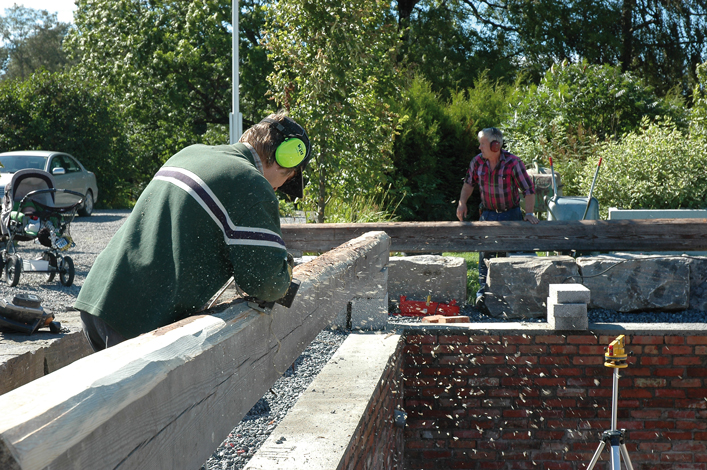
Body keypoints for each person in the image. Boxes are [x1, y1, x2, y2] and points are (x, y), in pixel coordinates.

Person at [75, 112, 312, 351]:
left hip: (98, 299)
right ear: (286, 158)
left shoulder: (192, 152)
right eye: (285, 179)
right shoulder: (250, 182)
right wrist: (284, 272)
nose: (277, 187)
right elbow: (266, 283)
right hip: (137, 320)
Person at [456, 127, 538, 312]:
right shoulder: (477, 162)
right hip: (488, 214)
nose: (479, 147)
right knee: (486, 256)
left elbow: (528, 190)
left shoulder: (513, 163)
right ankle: (483, 297)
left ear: (496, 145)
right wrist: (462, 203)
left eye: (483, 144)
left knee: (513, 256)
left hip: (511, 215)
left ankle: (514, 297)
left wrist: (530, 213)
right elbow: (469, 184)